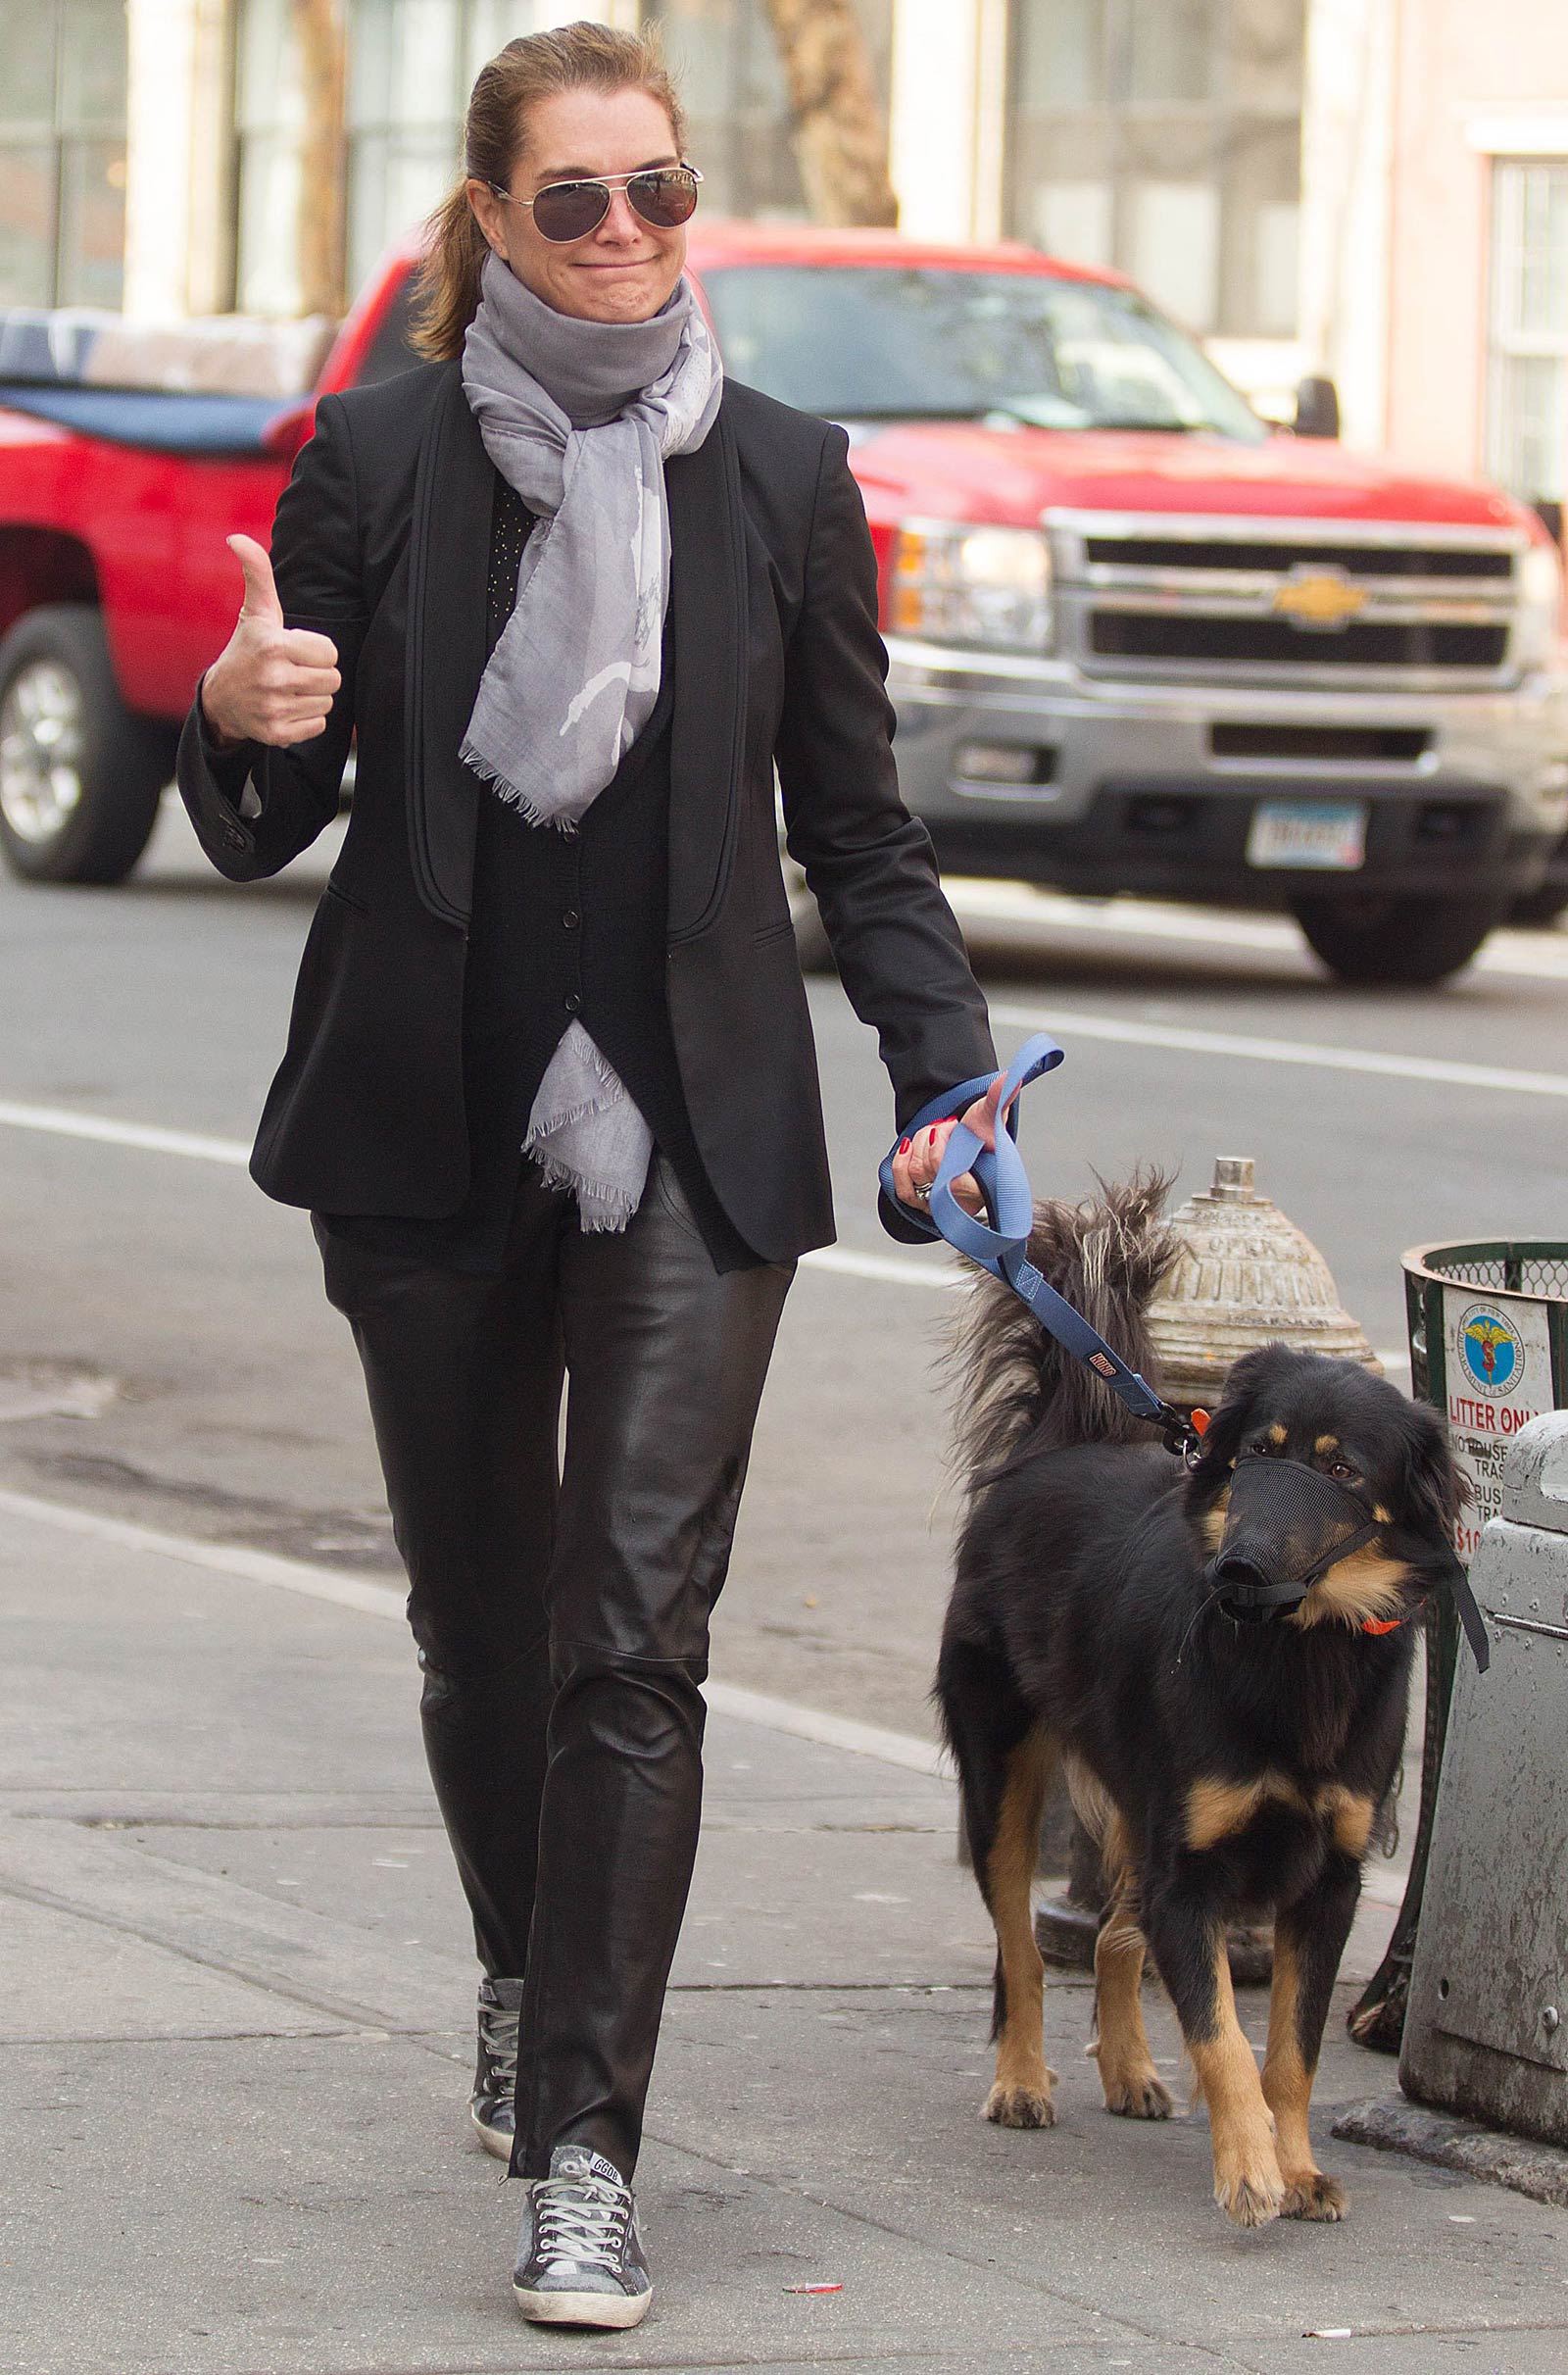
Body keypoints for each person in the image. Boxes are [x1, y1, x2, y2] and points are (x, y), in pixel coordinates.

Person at [178, 19, 1000, 2333]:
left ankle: (584, 2146)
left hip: (691, 1139)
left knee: (632, 1636)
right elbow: (266, 803)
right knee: (484, 1623)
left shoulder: (782, 476)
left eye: (659, 191)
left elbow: (855, 829)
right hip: (424, 1132)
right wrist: (234, 728)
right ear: (490, 219)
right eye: (577, 202)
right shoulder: (374, 458)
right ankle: (518, 1969)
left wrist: (940, 1073)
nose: (628, 236)